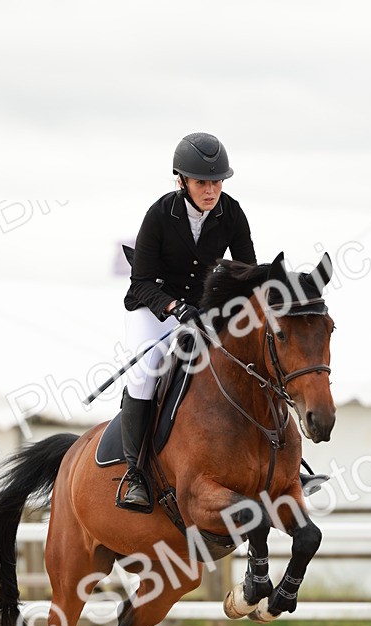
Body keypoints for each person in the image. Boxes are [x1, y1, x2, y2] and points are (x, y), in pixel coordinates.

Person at [118, 131, 257, 509]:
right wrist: (174, 309)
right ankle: (135, 473)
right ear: (181, 181)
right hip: (155, 309)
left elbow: (247, 272)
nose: (211, 191)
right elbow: (141, 282)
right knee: (146, 370)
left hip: (202, 311)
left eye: (217, 182)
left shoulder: (232, 213)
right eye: (202, 183)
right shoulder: (160, 214)